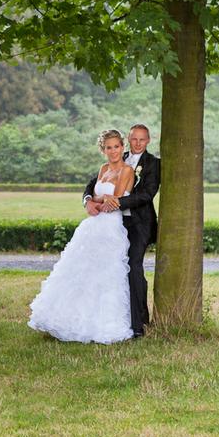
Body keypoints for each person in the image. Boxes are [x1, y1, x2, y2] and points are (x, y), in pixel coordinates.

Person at [28, 129, 134, 344]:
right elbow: (96, 195)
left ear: (123, 147)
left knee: (105, 273)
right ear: (103, 150)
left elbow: (116, 199)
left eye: (116, 146)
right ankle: (71, 320)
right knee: (81, 271)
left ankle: (102, 323)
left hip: (110, 227)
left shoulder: (127, 170)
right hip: (93, 224)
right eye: (108, 147)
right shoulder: (103, 169)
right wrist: (93, 200)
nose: (113, 151)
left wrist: (98, 200)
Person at [83, 123, 160, 337]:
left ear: (148, 140)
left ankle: (139, 324)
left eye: (142, 139)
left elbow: (147, 194)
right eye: (134, 139)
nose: (138, 143)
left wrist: (117, 201)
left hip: (138, 224)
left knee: (133, 266)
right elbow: (92, 184)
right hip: (113, 223)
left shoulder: (153, 163)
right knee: (108, 269)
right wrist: (88, 200)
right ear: (128, 139)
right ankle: (108, 318)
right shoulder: (118, 156)